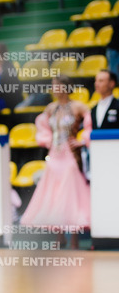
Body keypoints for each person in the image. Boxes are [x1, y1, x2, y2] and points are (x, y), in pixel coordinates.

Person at [20, 75, 91, 247]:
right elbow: (42, 128)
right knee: (54, 194)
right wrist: (47, 140)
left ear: (66, 87)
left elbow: (90, 125)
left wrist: (82, 140)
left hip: (70, 155)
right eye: (53, 86)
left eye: (57, 85)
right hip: (55, 155)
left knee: (70, 194)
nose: (54, 89)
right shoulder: (51, 108)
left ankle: (74, 238)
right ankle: (59, 237)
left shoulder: (78, 107)